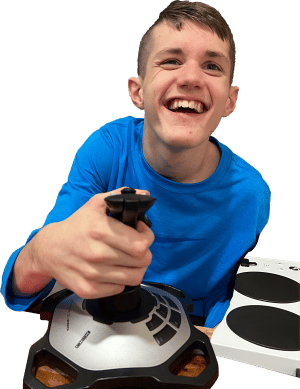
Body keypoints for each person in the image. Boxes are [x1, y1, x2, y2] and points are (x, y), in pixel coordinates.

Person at [1, 0, 270, 329]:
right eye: (171, 61)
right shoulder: (107, 150)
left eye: (212, 66)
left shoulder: (250, 195)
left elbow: (225, 300)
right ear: (137, 91)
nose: (191, 77)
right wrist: (40, 252)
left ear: (230, 100)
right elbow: (25, 283)